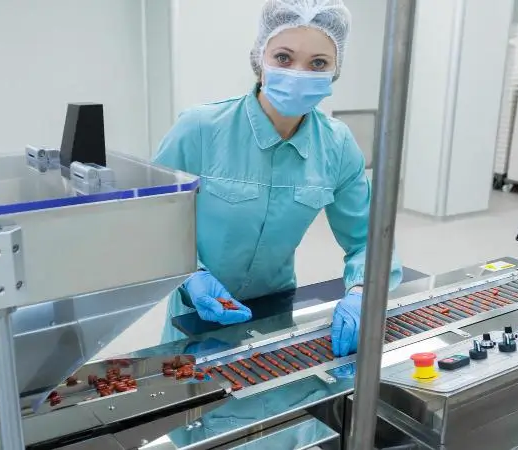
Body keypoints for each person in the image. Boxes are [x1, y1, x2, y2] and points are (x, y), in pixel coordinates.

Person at [154, 0, 403, 357]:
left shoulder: (337, 145)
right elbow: (151, 226)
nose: (299, 73)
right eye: (284, 58)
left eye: (318, 63)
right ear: (260, 59)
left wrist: (364, 292)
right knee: (193, 406)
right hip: (194, 314)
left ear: (335, 69)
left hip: (275, 313)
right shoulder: (199, 130)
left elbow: (369, 238)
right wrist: (191, 276)